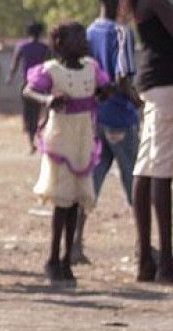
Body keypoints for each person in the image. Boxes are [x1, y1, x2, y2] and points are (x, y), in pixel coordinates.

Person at [24, 21, 113, 287]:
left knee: (75, 199)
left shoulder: (91, 68)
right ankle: (53, 258)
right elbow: (29, 91)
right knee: (61, 199)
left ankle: (66, 259)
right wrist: (48, 100)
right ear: (60, 43)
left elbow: (101, 91)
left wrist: (105, 92)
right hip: (60, 138)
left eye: (84, 37)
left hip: (82, 138)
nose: (84, 42)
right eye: (77, 38)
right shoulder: (51, 70)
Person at [74, 0, 141, 265]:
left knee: (90, 184)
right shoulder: (122, 32)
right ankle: (143, 247)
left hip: (95, 117)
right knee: (135, 183)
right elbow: (123, 77)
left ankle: (75, 244)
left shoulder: (88, 32)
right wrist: (140, 103)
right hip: (121, 117)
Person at [132, 0, 173, 281]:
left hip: (154, 85)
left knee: (146, 168)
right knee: (162, 170)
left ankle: (146, 261)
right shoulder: (156, 1)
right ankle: (165, 264)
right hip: (165, 86)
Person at [9, 23, 53, 152]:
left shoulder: (22, 46)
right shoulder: (45, 48)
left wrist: (10, 77)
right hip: (41, 84)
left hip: (27, 83)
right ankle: (36, 136)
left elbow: (14, 64)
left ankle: (31, 141)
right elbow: (49, 64)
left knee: (28, 113)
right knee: (37, 112)